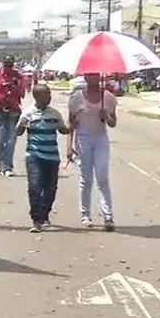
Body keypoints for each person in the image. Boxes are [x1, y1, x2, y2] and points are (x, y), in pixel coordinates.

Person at [17, 84, 71, 232]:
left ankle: (44, 214)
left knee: (50, 189)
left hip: (52, 157)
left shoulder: (54, 113)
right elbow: (18, 132)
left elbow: (63, 129)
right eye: (46, 94)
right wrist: (21, 124)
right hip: (34, 156)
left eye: (49, 94)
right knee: (34, 187)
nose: (49, 97)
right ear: (37, 96)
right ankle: (36, 219)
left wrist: (73, 125)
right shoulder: (28, 113)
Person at [67, 73, 117, 231]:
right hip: (83, 139)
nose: (94, 78)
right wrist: (69, 146)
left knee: (102, 177)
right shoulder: (77, 98)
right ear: (86, 78)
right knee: (86, 179)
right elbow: (71, 124)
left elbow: (113, 123)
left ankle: (108, 216)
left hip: (100, 139)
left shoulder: (108, 98)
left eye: (96, 75)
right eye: (90, 75)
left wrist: (106, 116)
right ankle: (85, 214)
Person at [0, 55, 24, 176]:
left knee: (11, 141)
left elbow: (23, 94)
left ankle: (7, 166)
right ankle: (0, 161)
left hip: (14, 112)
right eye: (6, 65)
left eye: (10, 65)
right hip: (0, 111)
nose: (8, 68)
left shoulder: (18, 76)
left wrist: (15, 87)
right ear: (3, 64)